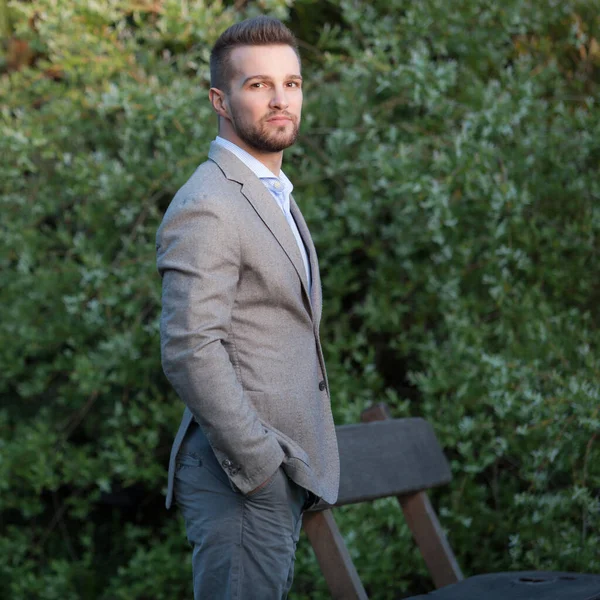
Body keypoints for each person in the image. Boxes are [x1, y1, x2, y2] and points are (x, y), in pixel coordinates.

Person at [156, 15, 340, 599]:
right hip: (241, 479)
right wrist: (260, 465)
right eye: (258, 85)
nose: (281, 99)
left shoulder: (271, 193)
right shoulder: (209, 203)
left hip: (278, 474)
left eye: (291, 83)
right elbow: (190, 347)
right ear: (220, 99)